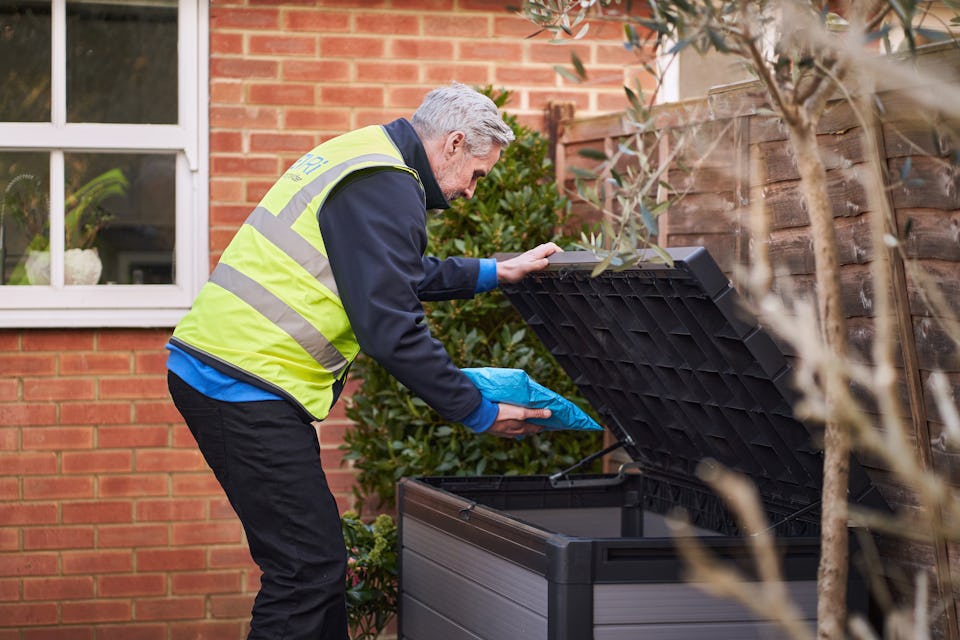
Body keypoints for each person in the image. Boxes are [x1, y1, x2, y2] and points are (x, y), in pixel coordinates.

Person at [165, 83, 561, 640]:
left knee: (316, 566)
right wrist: (477, 411)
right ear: (452, 143)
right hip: (240, 382)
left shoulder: (366, 157)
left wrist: (497, 271)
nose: (472, 192)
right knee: (305, 571)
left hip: (239, 374)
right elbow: (390, 327)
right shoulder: (385, 183)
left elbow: (394, 272)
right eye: (478, 174)